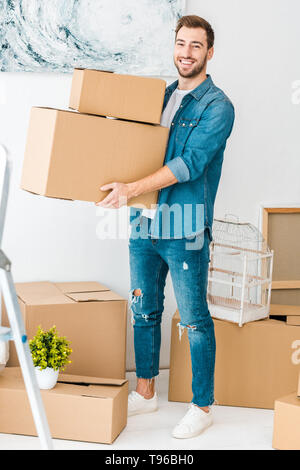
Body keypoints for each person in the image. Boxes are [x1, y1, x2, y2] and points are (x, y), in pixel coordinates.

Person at [96, 14, 235, 439]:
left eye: (196, 46)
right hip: (144, 223)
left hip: (186, 226)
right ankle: (146, 391)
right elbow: (134, 144)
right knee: (144, 310)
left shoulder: (218, 106)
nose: (186, 53)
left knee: (194, 320)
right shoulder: (161, 96)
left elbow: (189, 164)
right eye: (181, 43)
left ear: (209, 52)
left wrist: (132, 186)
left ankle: (202, 404)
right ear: (173, 47)